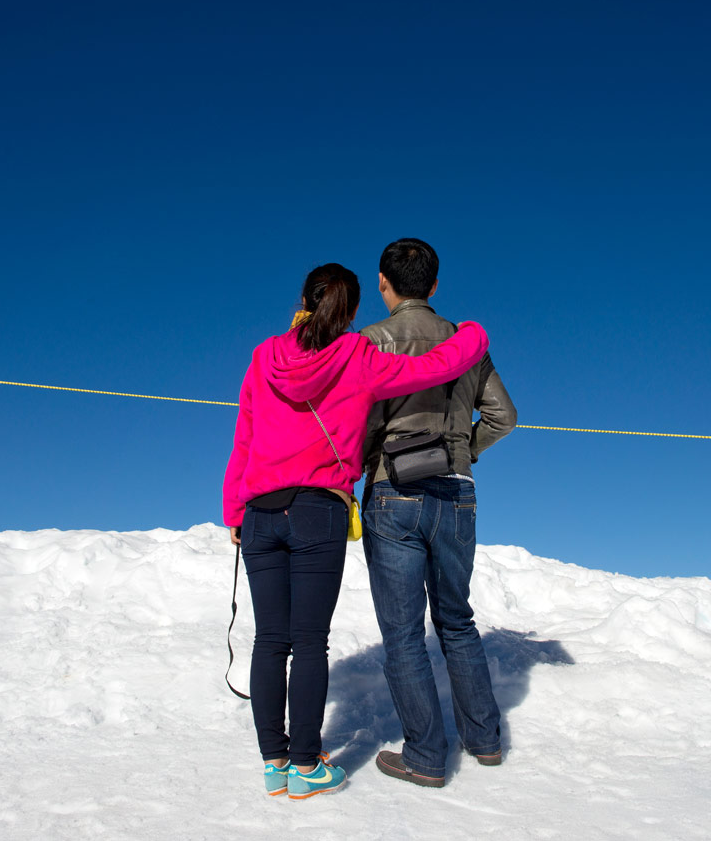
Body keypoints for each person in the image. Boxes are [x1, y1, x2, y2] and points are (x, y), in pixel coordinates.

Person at [222, 261, 490, 800]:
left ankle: (275, 764)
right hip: (318, 508)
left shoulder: (264, 356)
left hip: (260, 511)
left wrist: (234, 510)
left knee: (270, 639)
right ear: (351, 310)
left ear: (304, 298)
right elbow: (434, 368)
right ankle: (306, 766)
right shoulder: (357, 356)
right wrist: (474, 334)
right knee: (309, 641)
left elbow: (244, 437)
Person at [359, 238, 517, 788]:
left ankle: (426, 756)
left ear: (384, 282)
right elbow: (504, 416)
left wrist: (360, 466)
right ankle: (485, 741)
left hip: (393, 490)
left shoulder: (373, 342)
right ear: (434, 284)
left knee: (403, 634)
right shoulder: (465, 342)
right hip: (456, 490)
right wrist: (461, 450)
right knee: (456, 619)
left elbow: (363, 422)